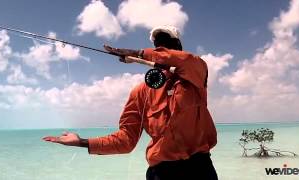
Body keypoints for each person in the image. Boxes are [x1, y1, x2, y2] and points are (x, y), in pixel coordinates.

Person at [43, 25, 218, 180]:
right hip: (162, 172)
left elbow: (186, 61)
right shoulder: (141, 92)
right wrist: (82, 142)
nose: (161, 49)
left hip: (200, 168)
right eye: (158, 45)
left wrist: (137, 53)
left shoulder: (196, 75)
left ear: (178, 48)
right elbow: (126, 140)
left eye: (167, 45)